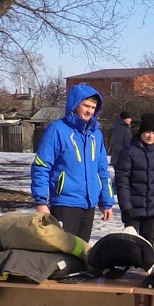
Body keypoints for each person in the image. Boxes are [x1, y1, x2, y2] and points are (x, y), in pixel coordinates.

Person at [31, 84, 113, 242]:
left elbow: (103, 170)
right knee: (62, 251)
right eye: (86, 106)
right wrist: (41, 201)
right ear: (75, 105)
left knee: (81, 251)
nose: (90, 111)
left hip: (89, 204)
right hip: (65, 203)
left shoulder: (96, 134)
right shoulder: (57, 130)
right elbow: (41, 166)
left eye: (93, 107)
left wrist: (106, 201)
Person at [113, 113, 154, 244]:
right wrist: (126, 206)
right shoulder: (128, 152)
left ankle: (147, 265)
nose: (150, 136)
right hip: (132, 208)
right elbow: (122, 181)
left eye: (153, 133)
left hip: (151, 209)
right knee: (130, 245)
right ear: (141, 132)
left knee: (148, 245)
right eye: (147, 132)